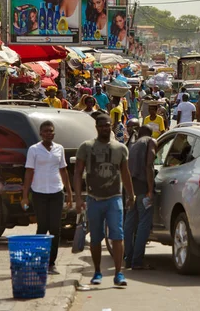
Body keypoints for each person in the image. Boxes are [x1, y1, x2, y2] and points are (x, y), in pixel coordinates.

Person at [74, 114, 134, 287]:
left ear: (111, 126)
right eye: (101, 126)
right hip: (94, 198)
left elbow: (125, 173)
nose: (104, 128)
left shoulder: (120, 148)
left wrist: (131, 195)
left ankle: (118, 273)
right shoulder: (86, 147)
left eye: (107, 125)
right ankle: (97, 271)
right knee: (95, 238)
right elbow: (78, 173)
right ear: (96, 127)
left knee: (117, 236)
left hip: (114, 198)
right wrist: (78, 198)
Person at [21, 121, 73, 275]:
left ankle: (51, 263)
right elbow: (29, 172)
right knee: (42, 227)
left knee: (55, 228)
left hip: (57, 192)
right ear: (41, 133)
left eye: (51, 131)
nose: (49, 133)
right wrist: (25, 195)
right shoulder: (34, 150)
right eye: (45, 131)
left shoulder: (59, 149)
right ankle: (40, 261)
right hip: (39, 192)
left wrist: (69, 192)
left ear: (54, 133)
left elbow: (63, 171)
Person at [124, 126, 156, 270]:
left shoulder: (133, 145)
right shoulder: (151, 141)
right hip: (143, 188)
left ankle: (128, 258)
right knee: (144, 223)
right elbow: (149, 165)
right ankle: (137, 261)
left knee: (130, 223)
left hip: (132, 188)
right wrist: (150, 189)